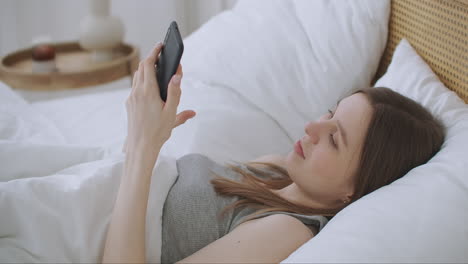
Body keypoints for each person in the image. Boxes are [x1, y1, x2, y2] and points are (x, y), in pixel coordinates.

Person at [102, 43, 445, 263]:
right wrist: (146, 125)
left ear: (355, 190)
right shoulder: (275, 170)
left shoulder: (288, 230)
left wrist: (142, 144)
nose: (312, 128)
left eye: (334, 139)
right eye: (330, 112)